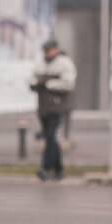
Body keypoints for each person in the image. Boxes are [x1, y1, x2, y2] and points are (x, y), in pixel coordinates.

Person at [29, 39, 76, 182]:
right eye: (45, 51)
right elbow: (32, 78)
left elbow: (68, 84)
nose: (47, 53)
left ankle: (45, 168)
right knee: (51, 139)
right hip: (43, 107)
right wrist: (35, 84)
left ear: (55, 49)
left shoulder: (64, 63)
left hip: (58, 107)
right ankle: (59, 170)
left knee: (50, 137)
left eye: (49, 50)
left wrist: (48, 84)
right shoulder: (41, 63)